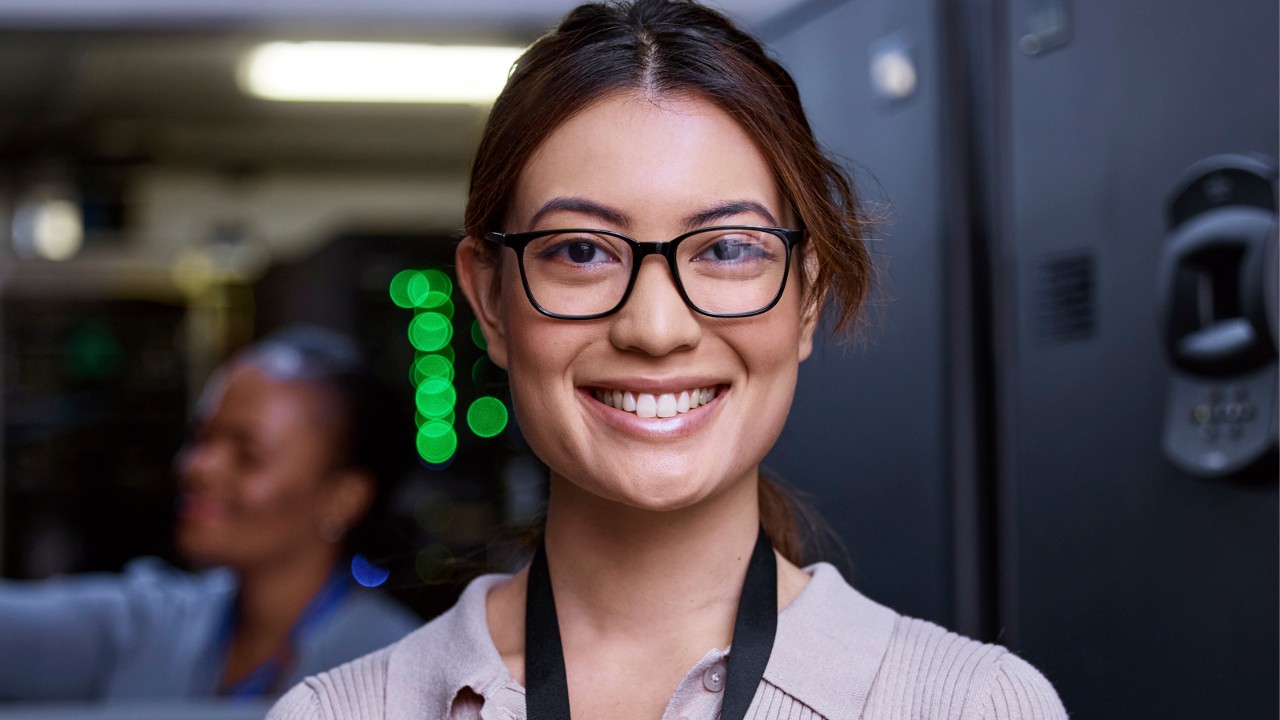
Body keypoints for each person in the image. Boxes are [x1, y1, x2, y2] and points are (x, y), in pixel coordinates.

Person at [269, 2, 1067, 718]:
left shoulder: (974, 706)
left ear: (807, 298)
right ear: (489, 302)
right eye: (581, 251)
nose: (656, 327)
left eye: (727, 248)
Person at [0, 327, 420, 703]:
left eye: (247, 456)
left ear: (343, 497)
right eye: (201, 438)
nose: (198, 467)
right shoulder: (152, 623)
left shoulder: (401, 672)